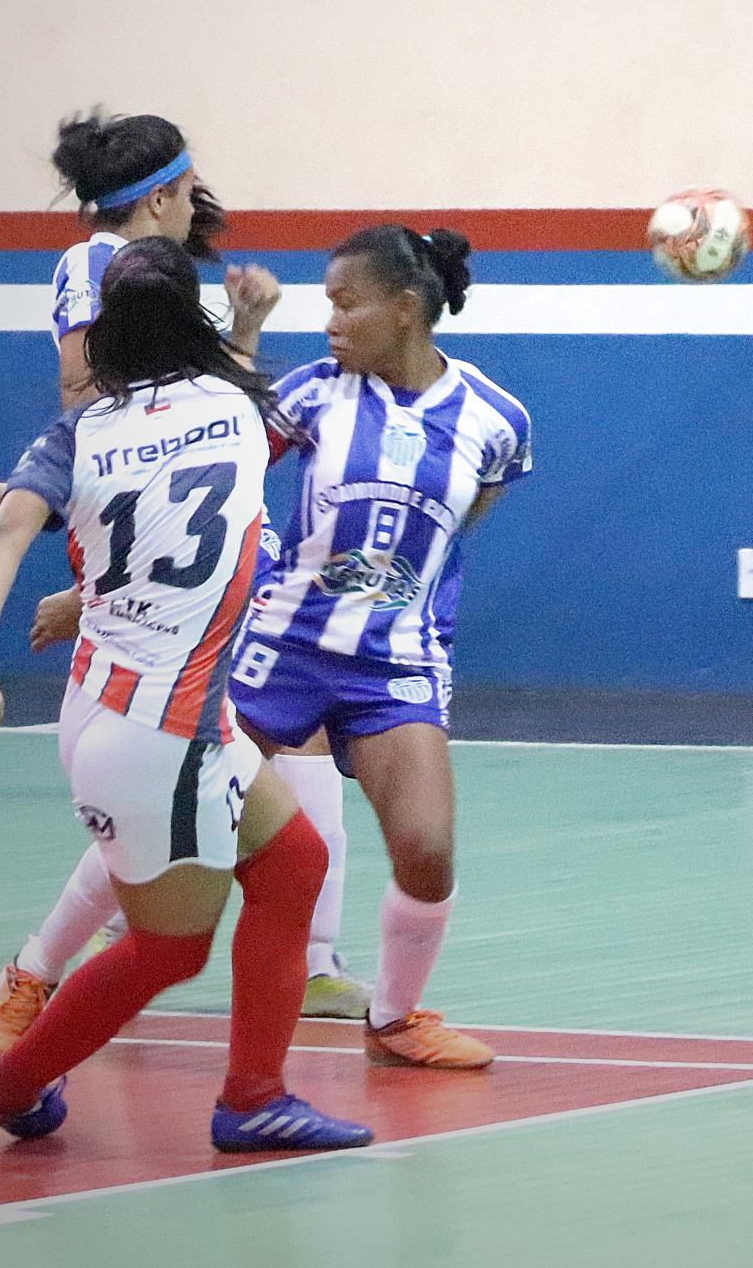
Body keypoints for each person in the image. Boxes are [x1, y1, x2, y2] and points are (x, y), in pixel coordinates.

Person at [0, 114, 382, 1059]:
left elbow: (194, 403)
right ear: (161, 195)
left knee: (247, 751)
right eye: (190, 190)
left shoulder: (164, 291)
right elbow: (92, 388)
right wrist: (46, 487)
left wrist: (238, 333)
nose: (200, 204)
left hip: (181, 533)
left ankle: (293, 956)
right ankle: (40, 973)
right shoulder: (99, 269)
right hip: (141, 535)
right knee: (182, 759)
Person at [221, 223, 529, 1069]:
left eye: (344, 304)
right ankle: (38, 967)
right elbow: (224, 454)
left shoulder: (497, 420)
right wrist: (245, 332)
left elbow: (461, 525)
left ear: (403, 309)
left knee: (427, 850)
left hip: (397, 661)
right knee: (174, 808)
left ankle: (394, 1020)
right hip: (283, 645)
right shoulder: (314, 393)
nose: (328, 321)